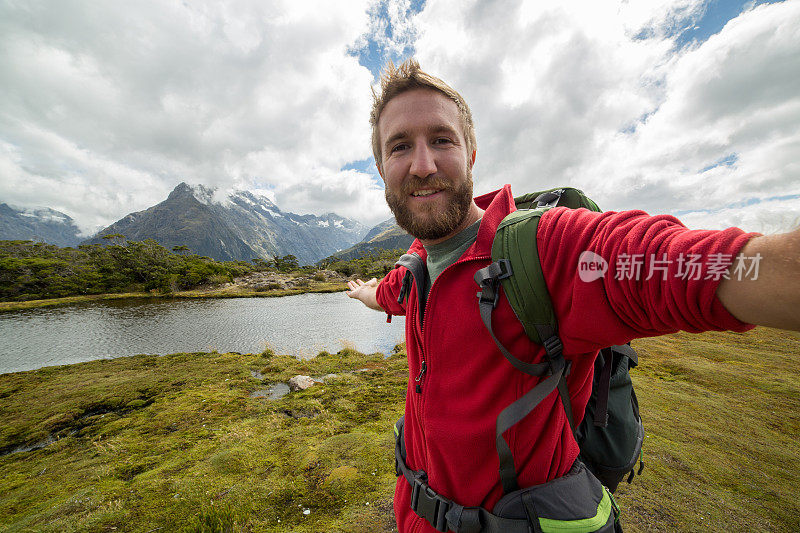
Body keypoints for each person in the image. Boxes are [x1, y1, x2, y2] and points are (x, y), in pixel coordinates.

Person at [346, 58, 800, 533]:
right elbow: (388, 295)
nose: (423, 164)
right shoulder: (417, 265)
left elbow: (677, 262)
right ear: (380, 167)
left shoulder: (542, 251)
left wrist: (764, 266)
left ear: (471, 153)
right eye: (401, 147)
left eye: (442, 139)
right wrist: (364, 293)